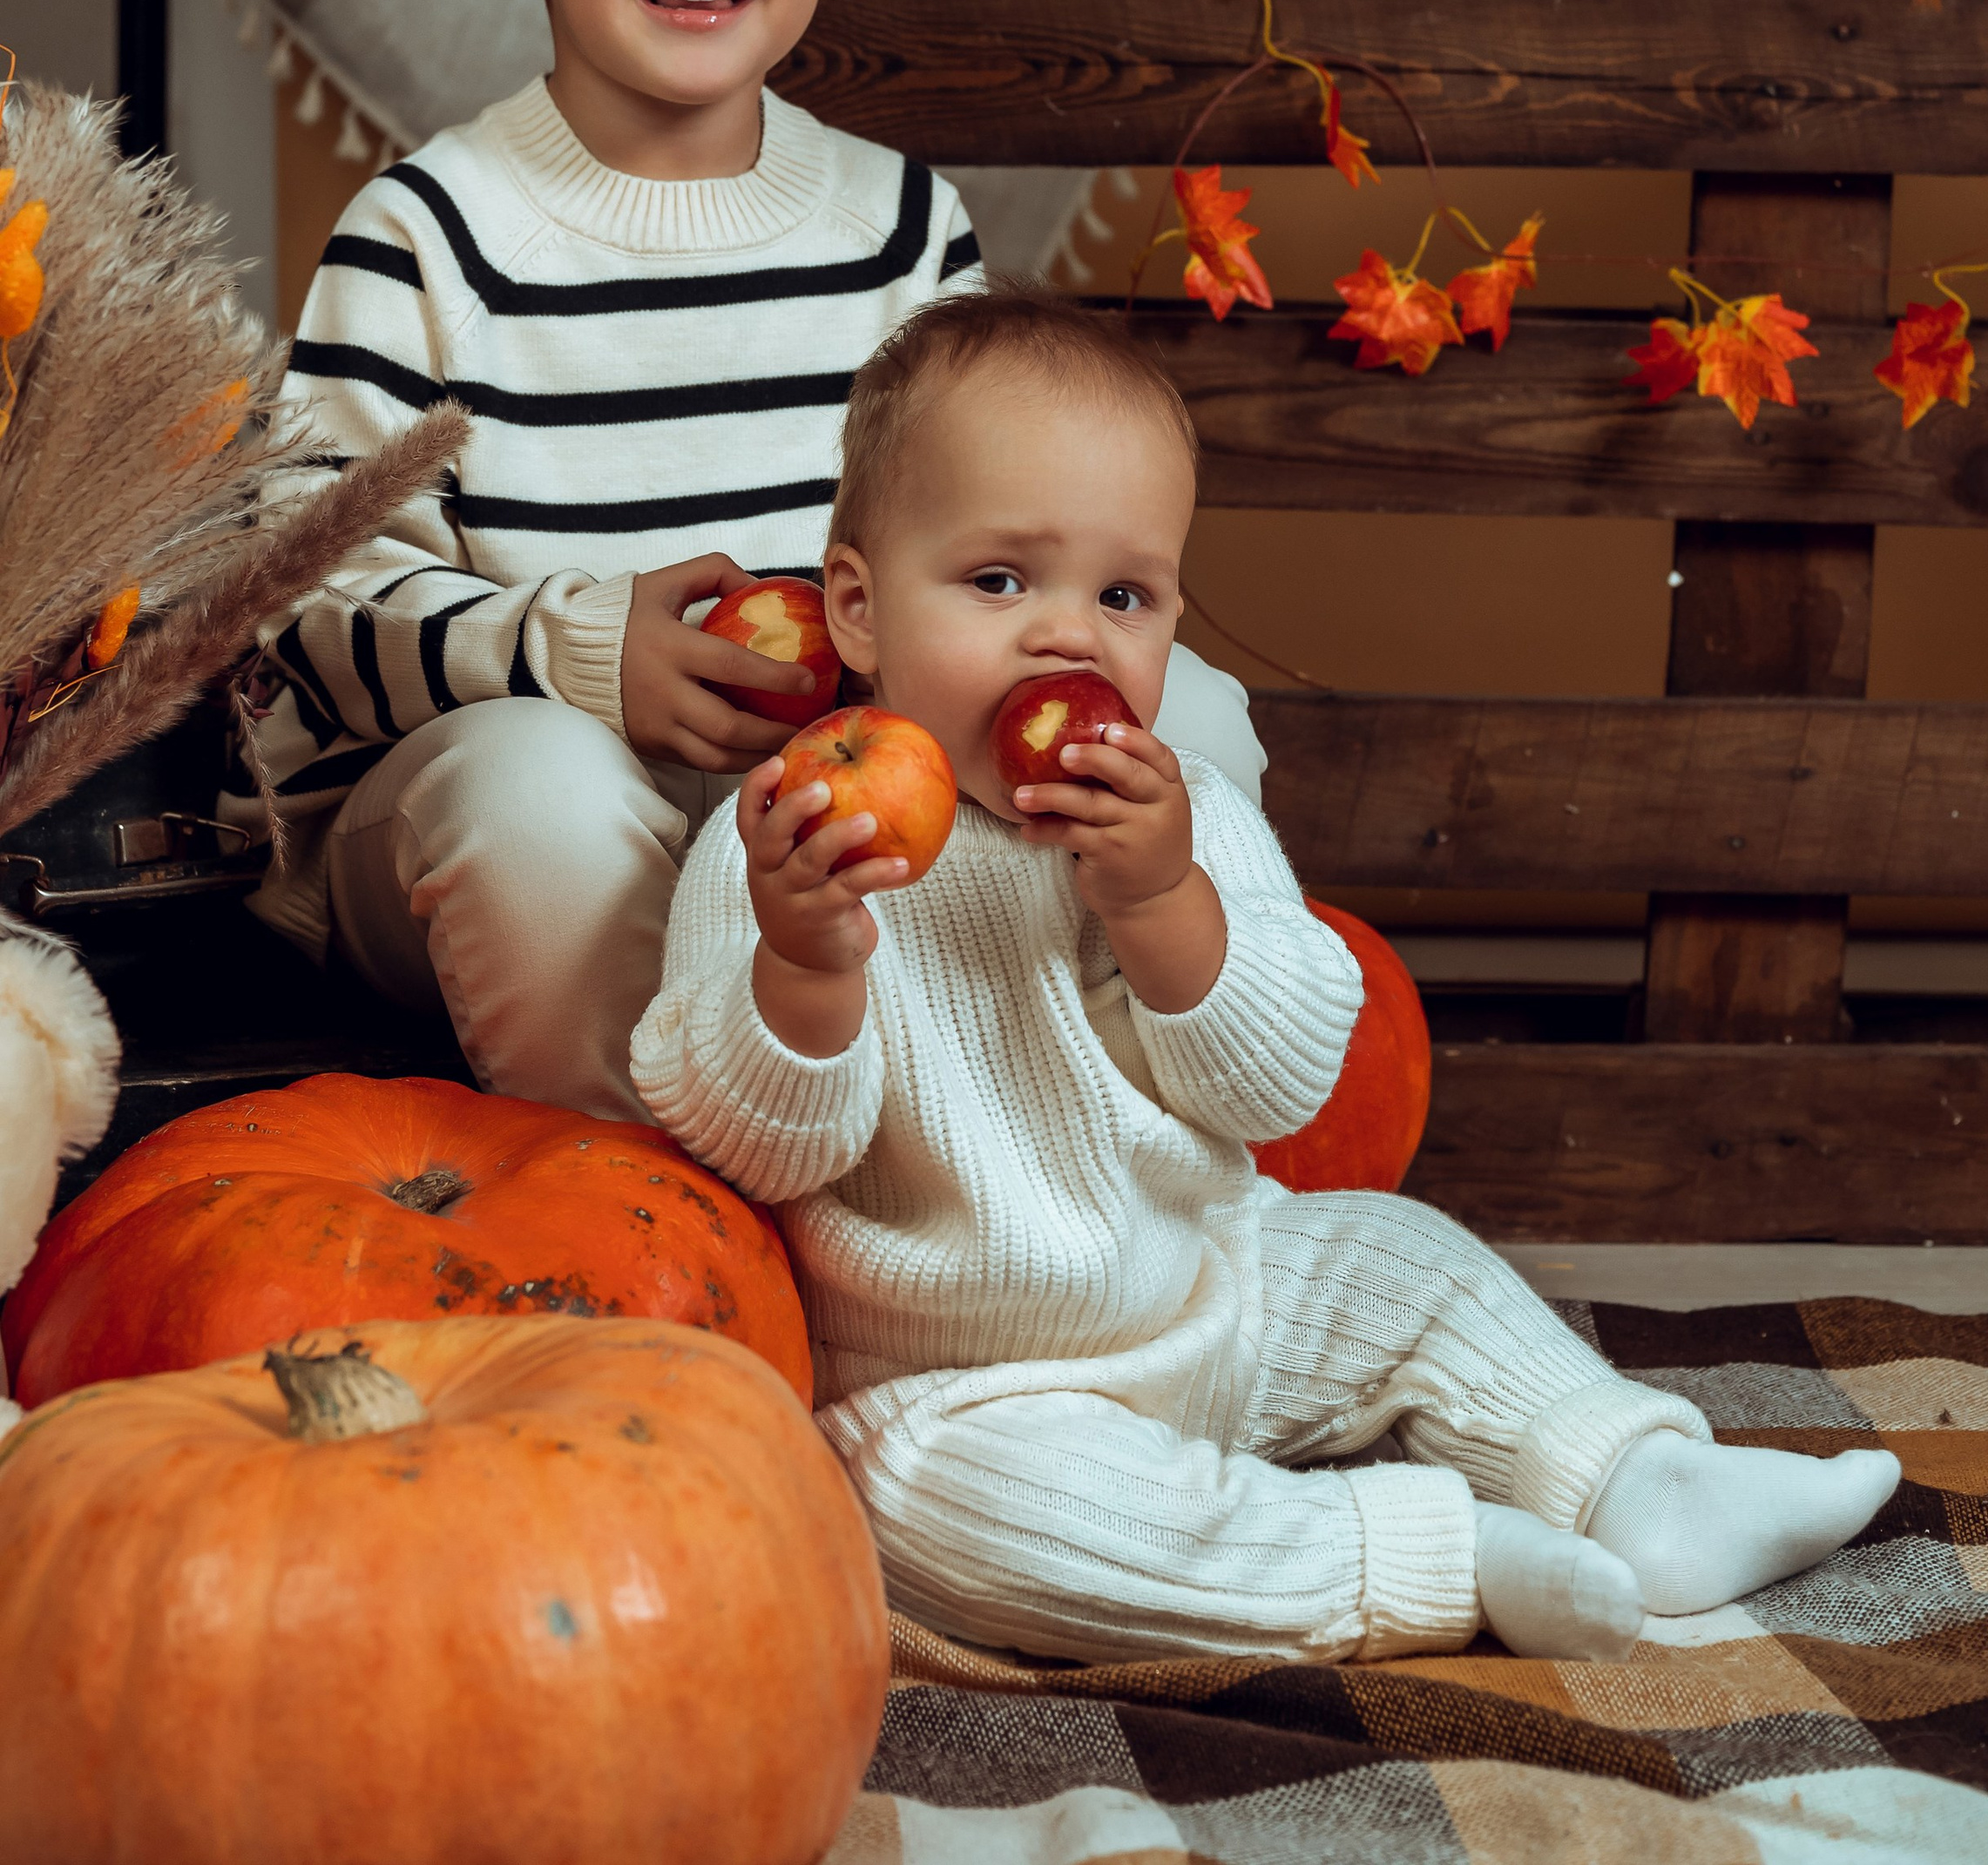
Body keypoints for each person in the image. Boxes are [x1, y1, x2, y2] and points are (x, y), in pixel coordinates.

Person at [632, 289, 1900, 1666]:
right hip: (965, 1391)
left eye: (1123, 596)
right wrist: (806, 963)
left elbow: (1280, 1089)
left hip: (1216, 1297)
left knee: (1406, 1261)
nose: (1069, 639)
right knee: (983, 1521)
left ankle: (1639, 1479)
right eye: (1000, 582)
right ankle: (1431, 1558)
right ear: (859, 610)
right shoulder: (792, 848)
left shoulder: (1185, 822)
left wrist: (1162, 902)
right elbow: (755, 1154)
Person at [238, 0, 1268, 1117]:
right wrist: (577, 656)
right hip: (482, 841)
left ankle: (1074, 1146)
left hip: (823, 823)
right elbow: (304, 609)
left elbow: (991, 545)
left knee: (1201, 719)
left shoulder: (899, 230)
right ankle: (648, 1198)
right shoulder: (426, 238)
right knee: (533, 790)